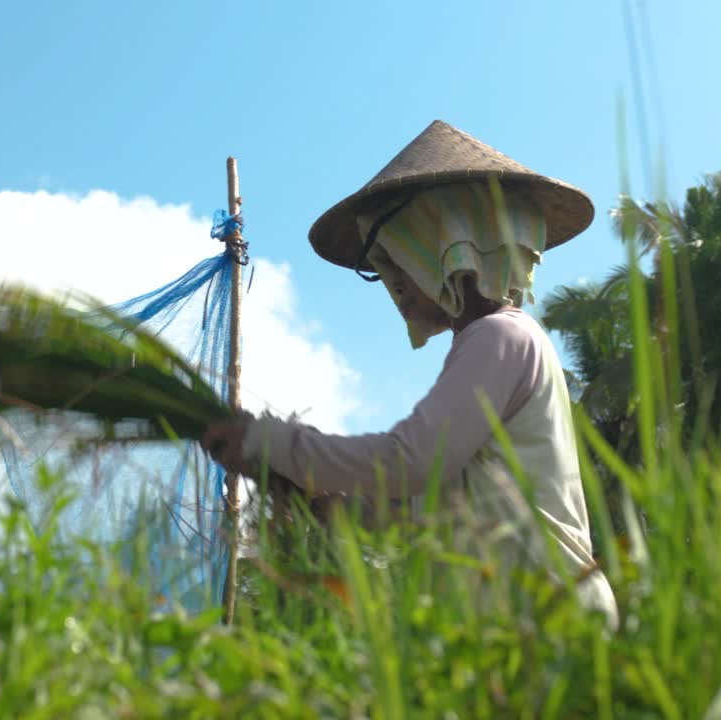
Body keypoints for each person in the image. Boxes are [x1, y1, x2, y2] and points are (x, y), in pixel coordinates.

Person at [201, 120, 619, 629]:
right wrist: (331, 505)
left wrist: (273, 444)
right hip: (511, 630)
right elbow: (422, 509)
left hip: (552, 616)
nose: (393, 283)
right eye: (381, 268)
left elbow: (411, 460)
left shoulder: (501, 337)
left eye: (397, 258)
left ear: (452, 244)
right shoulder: (483, 348)